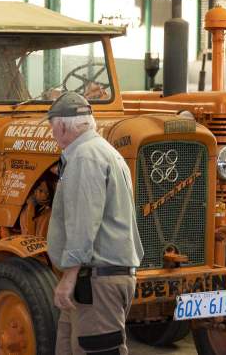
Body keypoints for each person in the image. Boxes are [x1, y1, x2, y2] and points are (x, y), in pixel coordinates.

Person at [45, 92, 144, 355]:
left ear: (62, 126)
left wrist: (69, 276)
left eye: (52, 128)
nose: (53, 135)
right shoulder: (104, 152)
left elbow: (83, 222)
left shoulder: (85, 157)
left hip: (96, 282)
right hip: (94, 281)